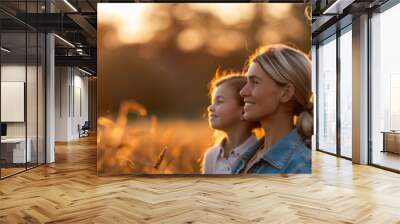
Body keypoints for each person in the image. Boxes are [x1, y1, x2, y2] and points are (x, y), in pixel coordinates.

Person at [231, 44, 313, 174]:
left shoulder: (301, 167)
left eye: (255, 82)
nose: (243, 92)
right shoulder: (246, 157)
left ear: (286, 93)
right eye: (247, 82)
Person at [202, 70, 260, 174]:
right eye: (212, 102)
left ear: (244, 110)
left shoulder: (260, 155)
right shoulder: (211, 156)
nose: (210, 108)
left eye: (219, 101)